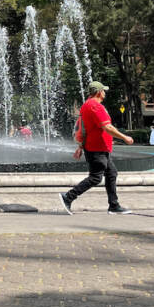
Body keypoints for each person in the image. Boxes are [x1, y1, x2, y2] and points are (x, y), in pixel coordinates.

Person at [59, 81, 135, 215]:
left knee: (111, 173)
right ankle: (68, 197)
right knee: (95, 177)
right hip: (96, 148)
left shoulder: (86, 105)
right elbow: (107, 127)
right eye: (104, 90)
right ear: (99, 92)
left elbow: (83, 129)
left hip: (98, 147)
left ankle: (114, 205)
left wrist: (80, 146)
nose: (105, 93)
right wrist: (124, 137)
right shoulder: (95, 106)